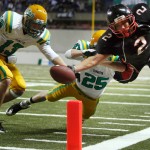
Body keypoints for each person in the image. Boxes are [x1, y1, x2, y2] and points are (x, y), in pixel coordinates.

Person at [6, 30, 125, 123]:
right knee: (50, 96)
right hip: (74, 86)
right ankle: (23, 104)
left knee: (87, 115)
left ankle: (78, 124)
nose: (98, 51)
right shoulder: (86, 48)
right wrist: (84, 52)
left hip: (92, 97)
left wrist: (97, 60)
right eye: (96, 48)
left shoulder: (116, 56)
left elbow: (124, 68)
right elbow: (68, 54)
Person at [0, 4, 66, 132]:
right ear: (25, 19)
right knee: (7, 79)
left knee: (18, 88)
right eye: (34, 24)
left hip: (5, 58)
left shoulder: (40, 36)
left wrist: (67, 68)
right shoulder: (10, 21)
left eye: (39, 26)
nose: (36, 28)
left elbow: (50, 54)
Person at [68, 3, 150, 83]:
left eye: (124, 22)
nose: (122, 28)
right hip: (131, 66)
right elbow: (94, 60)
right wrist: (74, 69)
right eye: (117, 26)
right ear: (112, 27)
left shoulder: (142, 13)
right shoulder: (110, 39)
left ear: (130, 18)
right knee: (124, 74)